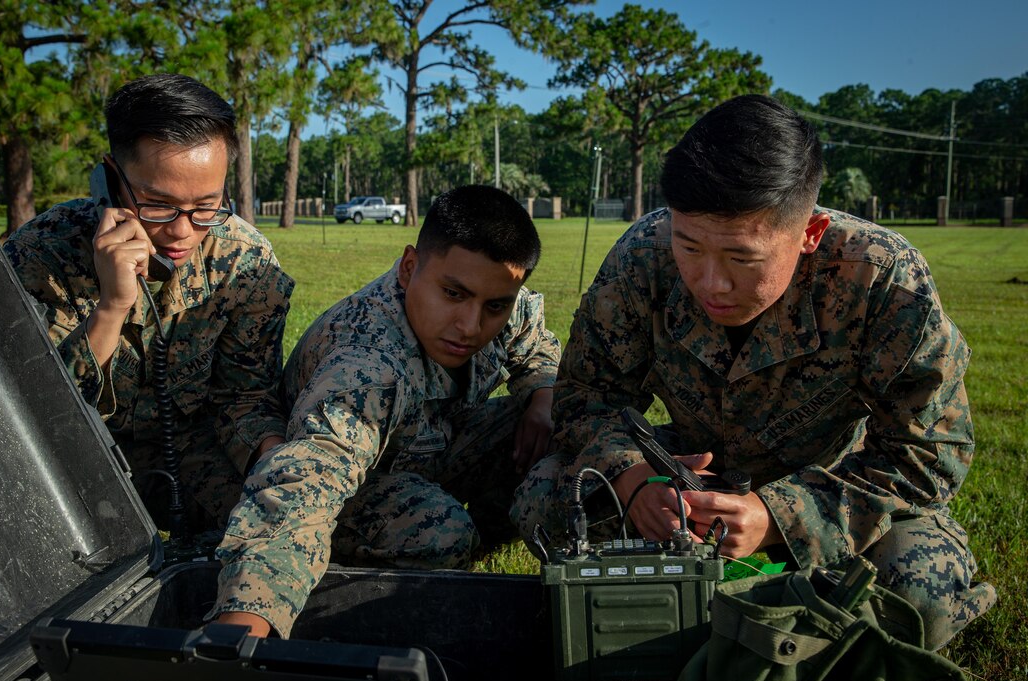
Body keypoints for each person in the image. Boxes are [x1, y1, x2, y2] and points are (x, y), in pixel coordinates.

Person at [511, 94, 996, 651]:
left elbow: (930, 454)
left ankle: (768, 617)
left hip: (834, 491)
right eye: (689, 247)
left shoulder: (881, 279)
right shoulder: (643, 256)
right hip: (689, 493)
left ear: (809, 233)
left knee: (919, 593)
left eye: (742, 259)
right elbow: (585, 396)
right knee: (543, 496)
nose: (711, 283)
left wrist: (778, 516)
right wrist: (634, 476)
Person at [210, 185, 560, 638]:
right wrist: (244, 624)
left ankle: (472, 542)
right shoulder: (366, 365)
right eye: (453, 294)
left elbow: (534, 348)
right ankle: (345, 580)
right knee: (440, 531)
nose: (471, 326)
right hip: (349, 487)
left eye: (494, 307)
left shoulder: (495, 296)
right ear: (409, 267)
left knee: (555, 428)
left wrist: (543, 396)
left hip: (426, 451)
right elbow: (305, 482)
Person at [4, 73, 294, 533]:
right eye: (157, 204)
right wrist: (113, 305)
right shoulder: (40, 255)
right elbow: (30, 417)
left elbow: (244, 396)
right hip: (70, 465)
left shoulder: (246, 262)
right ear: (111, 180)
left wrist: (274, 459)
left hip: (193, 455)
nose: (183, 231)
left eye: (208, 204)